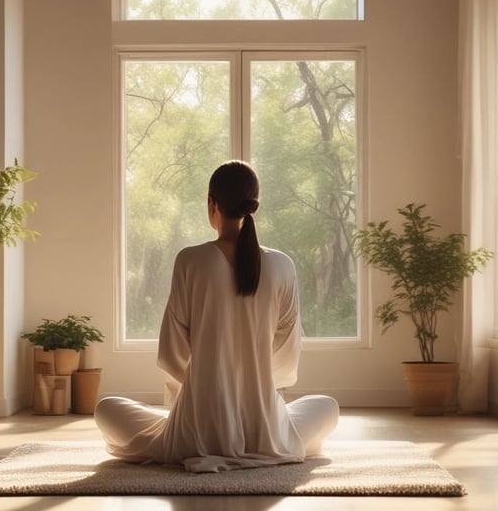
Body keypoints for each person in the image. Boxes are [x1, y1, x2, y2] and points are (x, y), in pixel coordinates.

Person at [94, 160, 339, 473]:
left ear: (212, 204)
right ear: (254, 207)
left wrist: (207, 388)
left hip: (195, 433)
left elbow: (174, 352)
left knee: (106, 408)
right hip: (265, 432)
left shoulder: (190, 260)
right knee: (327, 407)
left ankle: (175, 421)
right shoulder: (283, 265)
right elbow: (286, 353)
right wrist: (251, 388)